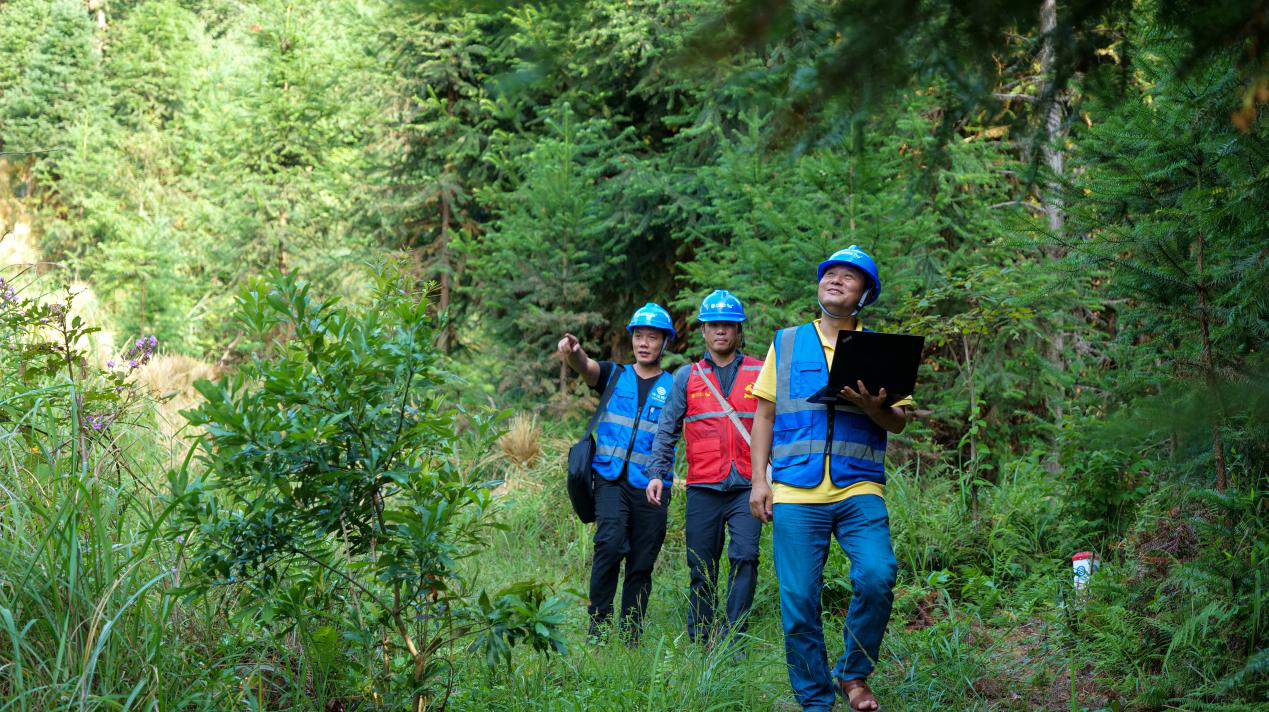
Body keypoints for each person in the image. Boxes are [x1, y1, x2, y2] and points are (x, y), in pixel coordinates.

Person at [747, 246, 912, 712]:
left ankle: (853, 673)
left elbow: (899, 422)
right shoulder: (787, 342)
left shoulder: (883, 350)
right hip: (795, 489)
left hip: (859, 487)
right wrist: (759, 481)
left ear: (865, 295)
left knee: (878, 575)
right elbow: (764, 416)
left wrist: (875, 408)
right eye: (830, 274)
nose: (836, 280)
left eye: (849, 277)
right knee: (799, 601)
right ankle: (816, 701)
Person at [645, 290, 764, 644]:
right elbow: (667, 429)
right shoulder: (687, 376)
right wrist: (657, 473)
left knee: (746, 558)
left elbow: (778, 426)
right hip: (703, 487)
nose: (721, 331)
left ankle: (733, 639)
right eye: (713, 325)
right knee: (701, 566)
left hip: (747, 486)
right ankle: (700, 638)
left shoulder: (761, 371)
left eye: (728, 325)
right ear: (703, 331)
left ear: (739, 330)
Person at [557, 303, 677, 642]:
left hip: (652, 486)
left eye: (652, 337)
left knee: (642, 562)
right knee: (609, 546)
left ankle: (631, 635)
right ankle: (598, 628)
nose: (644, 343)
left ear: (664, 342)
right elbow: (586, 367)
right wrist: (574, 352)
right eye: (639, 336)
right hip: (610, 479)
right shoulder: (615, 375)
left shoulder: (675, 387)